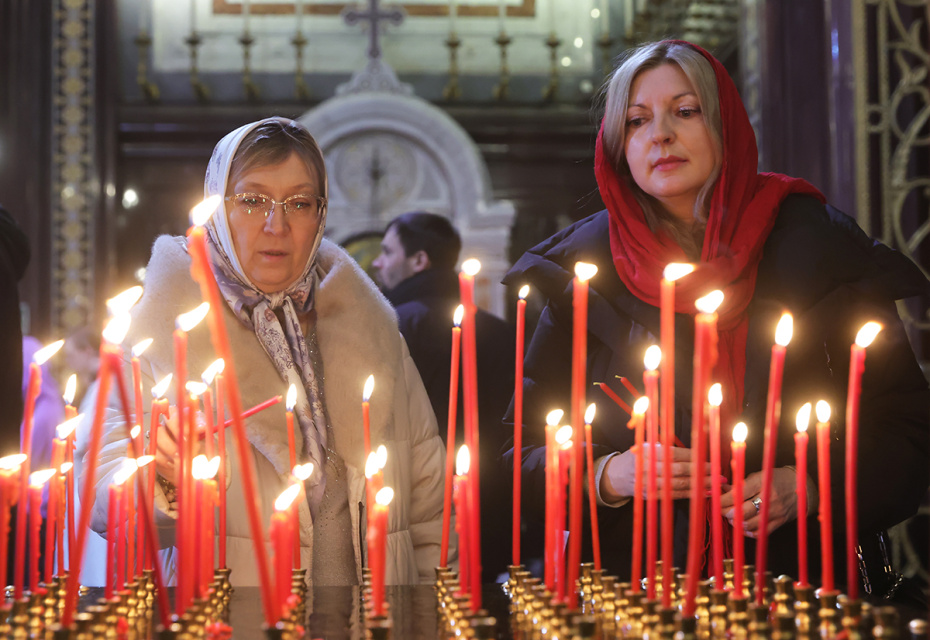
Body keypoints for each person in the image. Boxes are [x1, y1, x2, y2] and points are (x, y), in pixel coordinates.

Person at [504, 40, 929, 594]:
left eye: (686, 111)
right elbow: (519, 454)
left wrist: (811, 485)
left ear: (726, 125)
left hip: (804, 588)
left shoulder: (818, 247)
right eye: (637, 121)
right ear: (617, 148)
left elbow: (909, 428)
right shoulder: (584, 274)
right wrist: (608, 474)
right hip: (635, 596)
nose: (660, 134)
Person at [82, 117, 447, 587]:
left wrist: (426, 616)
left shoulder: (376, 333)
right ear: (218, 206)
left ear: (320, 214)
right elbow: (102, 499)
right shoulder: (155, 335)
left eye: (299, 203)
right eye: (253, 201)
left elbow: (429, 505)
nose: (277, 224)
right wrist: (165, 479)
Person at [372, 212, 516, 582]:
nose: (378, 261)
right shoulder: (501, 332)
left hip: (422, 510)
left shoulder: (392, 327)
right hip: (497, 509)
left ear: (419, 260)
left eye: (387, 252)